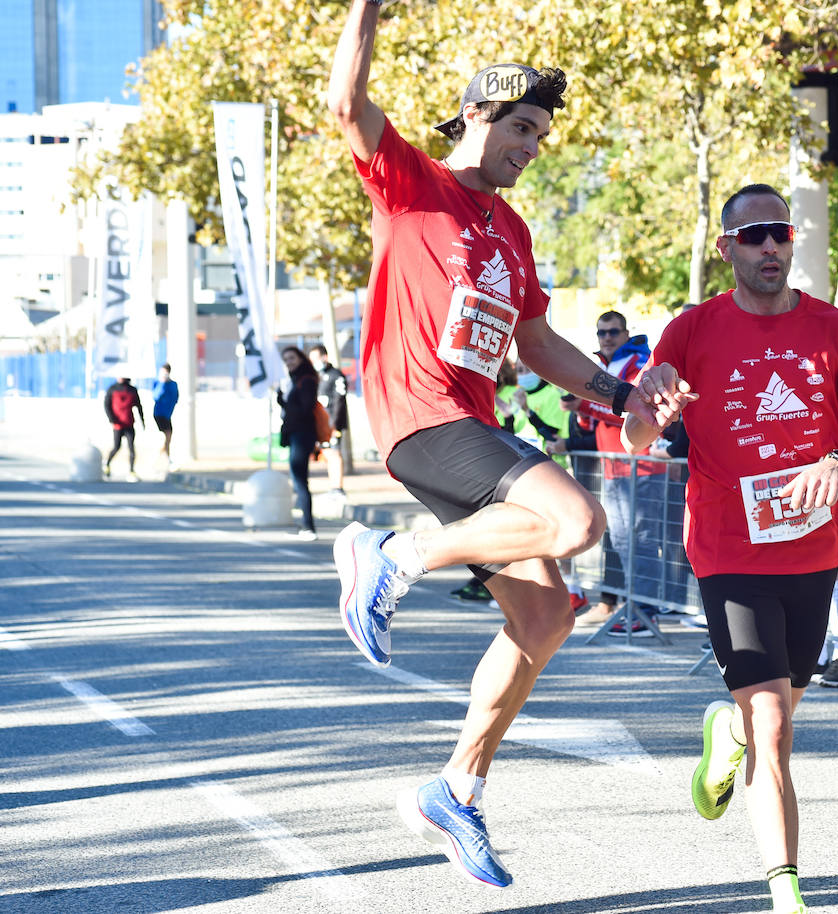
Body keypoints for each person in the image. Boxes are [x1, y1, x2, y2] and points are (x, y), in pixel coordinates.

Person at [327, 10, 685, 887]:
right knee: (575, 520)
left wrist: (621, 391)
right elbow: (346, 102)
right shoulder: (413, 184)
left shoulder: (512, 232)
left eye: (542, 135)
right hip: (421, 414)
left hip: (471, 423)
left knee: (546, 616)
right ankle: (391, 555)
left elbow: (540, 346)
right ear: (479, 116)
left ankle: (457, 787)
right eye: (522, 127)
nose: (534, 146)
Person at [624, 184, 838, 914]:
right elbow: (633, 439)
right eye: (754, 236)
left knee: (773, 718)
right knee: (774, 726)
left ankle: (730, 735)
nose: (770, 246)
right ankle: (787, 892)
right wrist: (648, 407)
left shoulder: (835, 331)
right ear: (727, 249)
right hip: (728, 547)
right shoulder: (690, 331)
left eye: (779, 232)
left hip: (815, 550)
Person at [573, 310, 668, 633]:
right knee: (624, 542)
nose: (608, 338)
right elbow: (597, 415)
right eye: (602, 333)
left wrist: (585, 405)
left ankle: (646, 610)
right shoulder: (604, 364)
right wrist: (582, 413)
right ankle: (636, 608)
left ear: (626, 333)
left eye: (613, 332)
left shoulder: (638, 362)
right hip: (614, 468)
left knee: (640, 541)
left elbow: (636, 412)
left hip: (640, 466)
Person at [277, 346, 319, 541]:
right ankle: (306, 525)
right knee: (298, 480)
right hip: (296, 434)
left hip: (303, 434)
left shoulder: (307, 379)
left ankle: (308, 527)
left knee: (300, 480)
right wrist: (281, 398)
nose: (289, 362)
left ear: (301, 358)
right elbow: (294, 407)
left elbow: (305, 408)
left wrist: (288, 400)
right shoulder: (294, 380)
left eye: (292, 358)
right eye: (286, 359)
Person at [308, 344, 349, 496]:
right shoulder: (315, 376)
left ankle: (338, 488)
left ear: (324, 357)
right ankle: (333, 487)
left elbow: (339, 402)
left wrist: (335, 425)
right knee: (326, 453)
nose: (314, 363)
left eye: (316, 359)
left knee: (334, 453)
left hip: (332, 423)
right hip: (320, 424)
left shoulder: (336, 376)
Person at [102, 376, 144, 480]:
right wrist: (112, 419)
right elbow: (107, 405)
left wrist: (143, 421)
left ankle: (131, 470)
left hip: (129, 423)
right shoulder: (112, 389)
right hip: (118, 424)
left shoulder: (132, 390)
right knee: (117, 447)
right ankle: (107, 464)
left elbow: (139, 406)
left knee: (131, 448)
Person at [151, 364, 178, 465]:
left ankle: (163, 458)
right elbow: (155, 396)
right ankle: (166, 459)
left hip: (167, 414)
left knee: (168, 438)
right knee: (164, 437)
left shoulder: (173, 384)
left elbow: (175, 398)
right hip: (159, 414)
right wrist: (162, 383)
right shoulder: (158, 383)